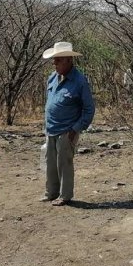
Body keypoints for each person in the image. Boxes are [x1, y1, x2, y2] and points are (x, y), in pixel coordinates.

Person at [40, 42, 95, 206]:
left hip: (67, 130)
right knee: (50, 163)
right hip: (51, 129)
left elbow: (89, 109)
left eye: (58, 60)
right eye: (54, 60)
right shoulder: (52, 78)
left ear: (69, 60)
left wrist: (76, 128)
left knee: (64, 163)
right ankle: (51, 193)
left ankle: (65, 195)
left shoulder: (80, 81)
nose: (54, 63)